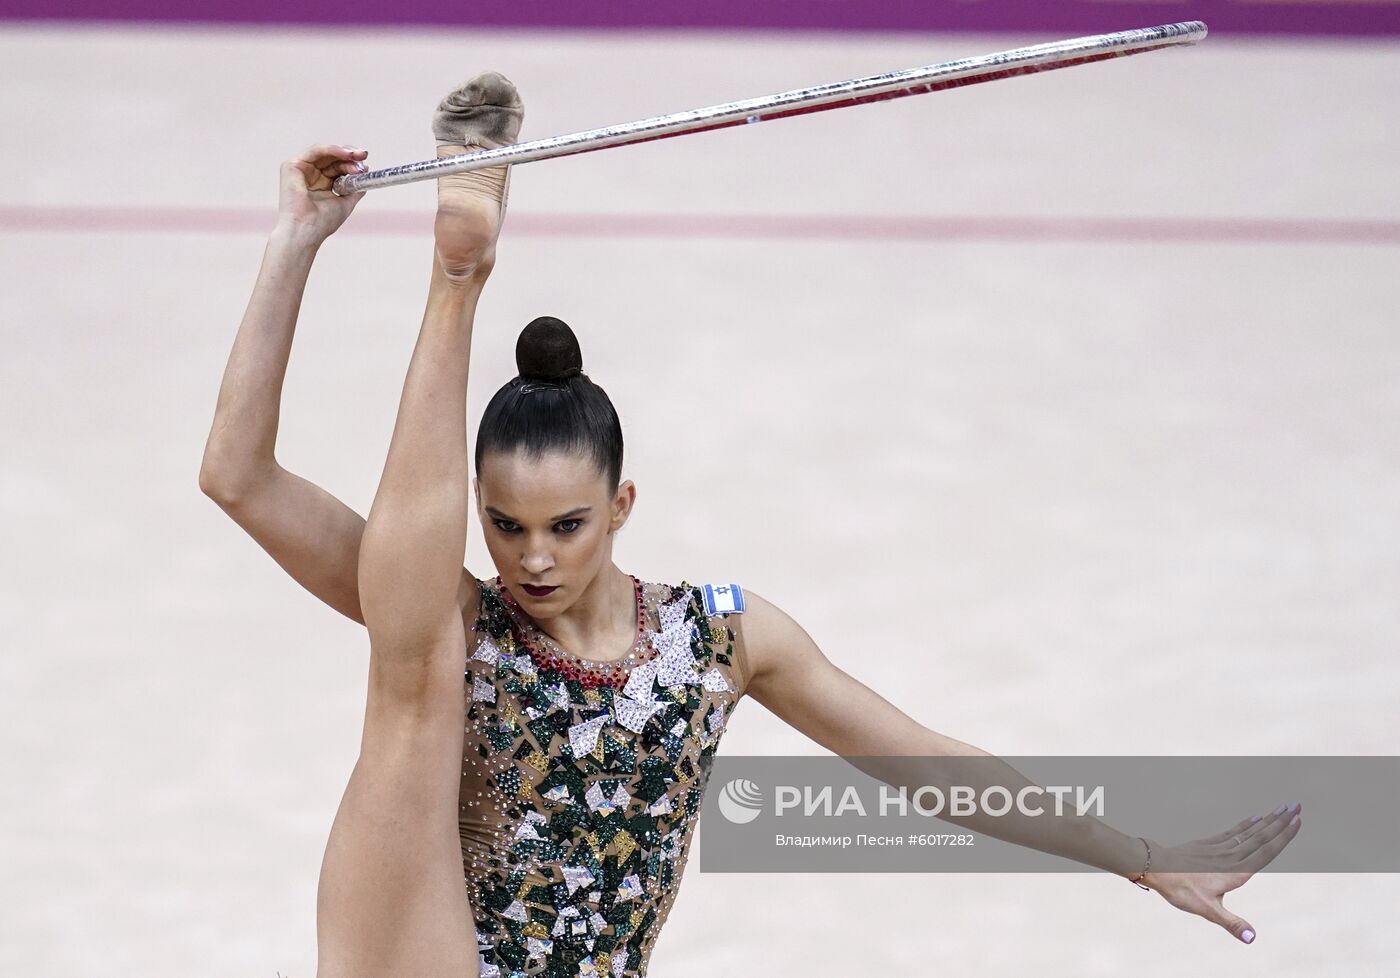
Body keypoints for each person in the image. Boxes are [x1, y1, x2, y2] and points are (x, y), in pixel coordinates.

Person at [199, 71, 1300, 978]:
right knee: (423, 641)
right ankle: (457, 279)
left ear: (623, 508)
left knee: (424, 627)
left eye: (566, 526)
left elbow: (918, 759)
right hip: (425, 948)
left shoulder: (717, 630)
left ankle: (458, 276)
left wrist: (1139, 857)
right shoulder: (460, 610)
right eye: (504, 526)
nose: (531, 559)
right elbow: (234, 475)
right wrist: (296, 240)